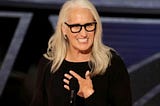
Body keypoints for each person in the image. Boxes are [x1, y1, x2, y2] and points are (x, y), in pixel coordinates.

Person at [30, 0, 132, 106]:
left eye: (89, 25)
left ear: (96, 27)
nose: (83, 33)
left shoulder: (112, 64)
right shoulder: (49, 63)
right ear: (64, 29)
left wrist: (89, 94)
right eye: (76, 27)